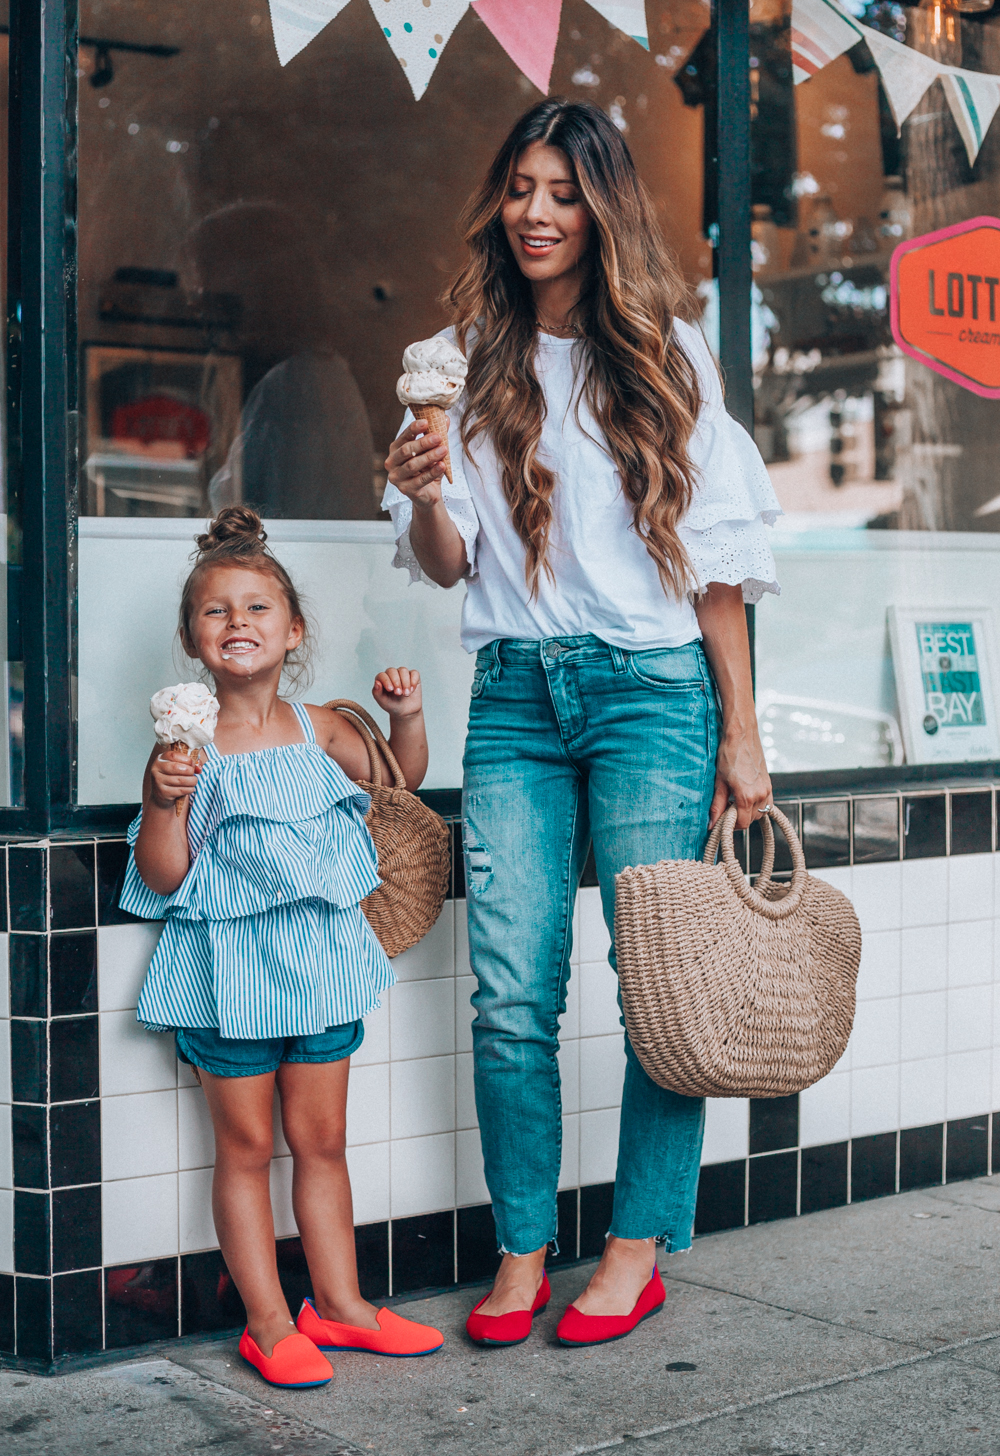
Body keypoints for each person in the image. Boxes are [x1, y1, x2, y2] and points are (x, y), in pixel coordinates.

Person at [383, 99, 780, 1349]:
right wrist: (424, 490)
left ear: (599, 206)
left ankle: (636, 1244)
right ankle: (519, 1253)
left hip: (652, 692)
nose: (537, 212)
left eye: (561, 190)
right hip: (514, 699)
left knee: (653, 977)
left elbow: (715, 565)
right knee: (511, 992)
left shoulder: (668, 352)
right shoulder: (455, 360)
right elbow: (449, 566)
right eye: (519, 188)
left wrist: (742, 730)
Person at [120, 505, 443, 1388]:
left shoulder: (322, 729)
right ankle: (268, 1320)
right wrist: (161, 797)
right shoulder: (184, 749)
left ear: (293, 629)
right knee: (247, 1150)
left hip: (323, 971)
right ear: (192, 639)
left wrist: (406, 715)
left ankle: (338, 1307)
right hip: (229, 978)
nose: (238, 624)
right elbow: (164, 875)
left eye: (257, 608)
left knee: (324, 1140)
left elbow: (401, 783)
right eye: (217, 611)